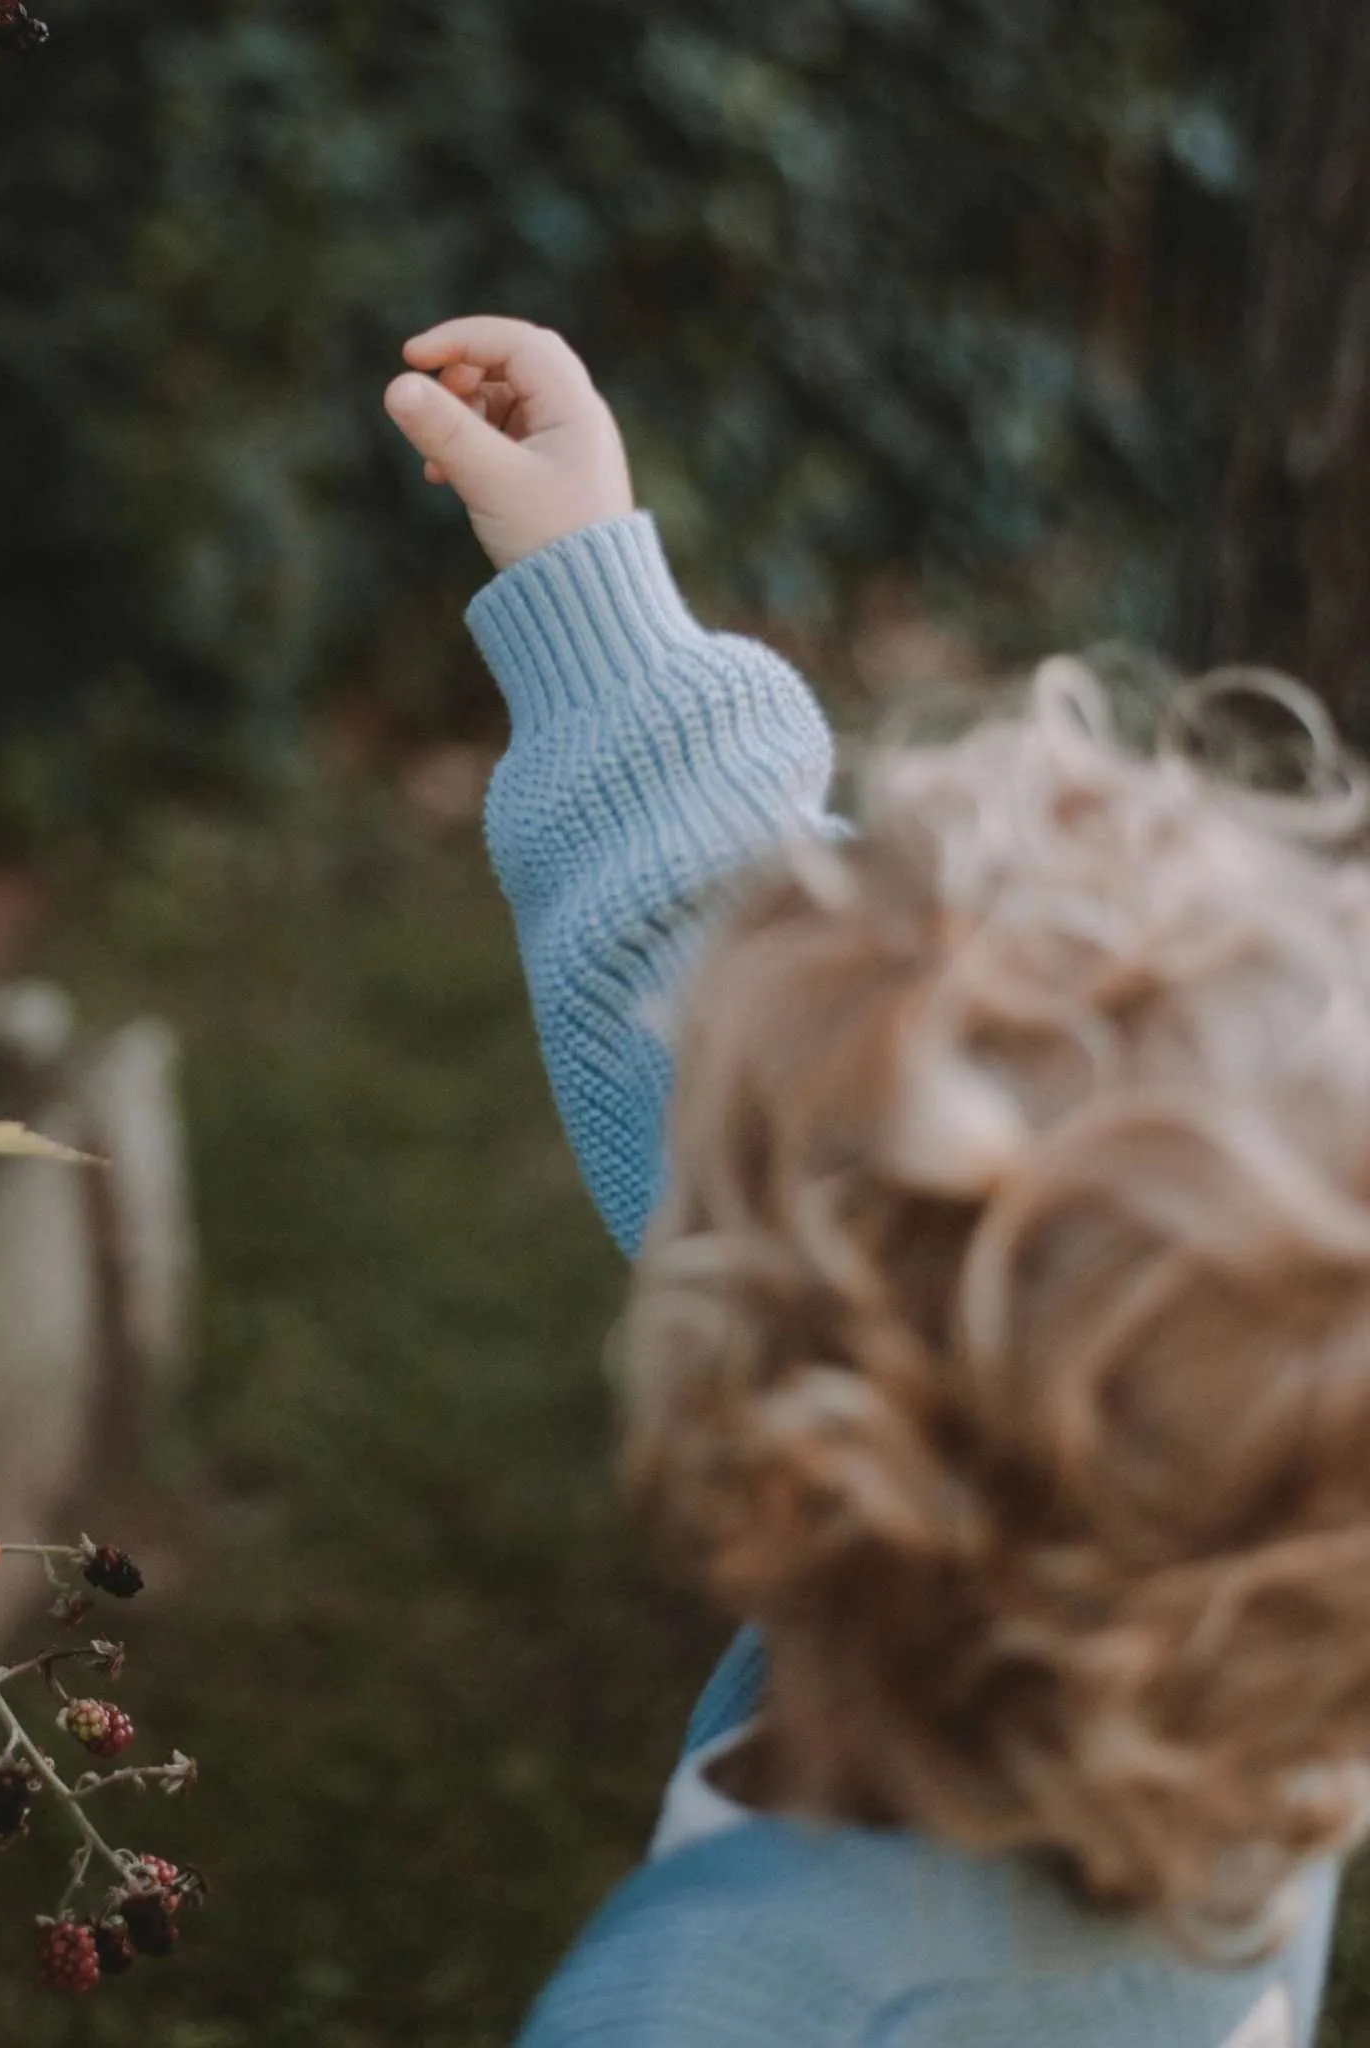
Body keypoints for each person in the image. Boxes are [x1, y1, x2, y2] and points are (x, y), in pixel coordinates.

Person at [384, 317, 1370, 2046]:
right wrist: (594, 600)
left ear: (794, 1432)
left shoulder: (706, 2009)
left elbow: (769, 1091)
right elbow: (785, 1091)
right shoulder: (1262, 1725)